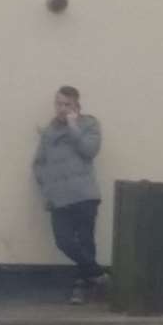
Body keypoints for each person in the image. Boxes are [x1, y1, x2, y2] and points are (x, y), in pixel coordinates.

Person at [33, 85, 105, 304]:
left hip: (84, 194)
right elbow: (39, 163)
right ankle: (98, 275)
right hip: (59, 197)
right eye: (59, 104)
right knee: (63, 241)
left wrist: (73, 126)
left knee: (85, 242)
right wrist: (47, 189)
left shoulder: (89, 124)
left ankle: (82, 288)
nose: (62, 108)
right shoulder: (49, 131)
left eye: (67, 104)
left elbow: (89, 151)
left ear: (77, 106)